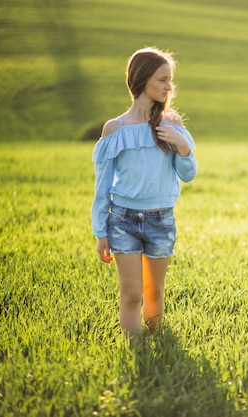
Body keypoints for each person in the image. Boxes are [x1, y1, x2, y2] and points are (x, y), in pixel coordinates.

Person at [91, 47, 197, 337]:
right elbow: (102, 186)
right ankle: (137, 352)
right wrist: (101, 230)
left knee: (155, 292)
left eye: (170, 80)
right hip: (122, 220)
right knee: (131, 295)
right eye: (162, 79)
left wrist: (182, 144)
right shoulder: (116, 128)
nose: (168, 86)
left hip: (161, 220)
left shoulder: (171, 124)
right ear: (141, 79)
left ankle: (158, 349)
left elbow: (188, 174)